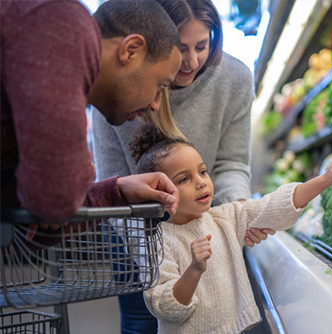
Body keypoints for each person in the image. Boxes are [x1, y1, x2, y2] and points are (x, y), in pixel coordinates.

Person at [91, 0, 271, 332]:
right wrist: (158, 260)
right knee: (140, 323)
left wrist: (239, 212)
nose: (191, 61)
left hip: (205, 227)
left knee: (211, 318)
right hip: (134, 229)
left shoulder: (234, 79)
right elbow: (110, 180)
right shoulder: (118, 82)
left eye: (201, 46)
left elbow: (231, 162)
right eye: (180, 48)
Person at [128, 123, 332, 333]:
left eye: (203, 171)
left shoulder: (225, 217)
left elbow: (274, 206)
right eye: (184, 179)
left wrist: (324, 179)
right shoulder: (156, 242)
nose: (201, 182)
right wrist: (195, 268)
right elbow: (165, 307)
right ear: (161, 193)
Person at [0, 0, 182, 239]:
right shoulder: (59, 20)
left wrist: (117, 192)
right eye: (160, 85)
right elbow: (55, 201)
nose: (155, 105)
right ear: (131, 50)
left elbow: (32, 224)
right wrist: (54, 200)